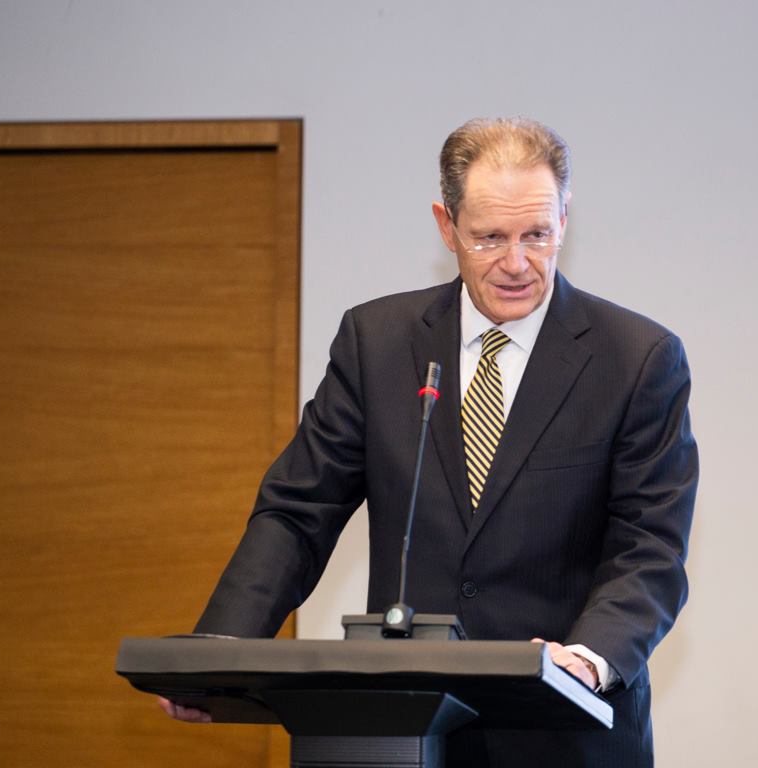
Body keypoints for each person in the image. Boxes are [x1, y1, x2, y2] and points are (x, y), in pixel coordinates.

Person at [161, 117, 698, 767]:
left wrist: (584, 661)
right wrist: (220, 650)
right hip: (402, 728)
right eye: (489, 237)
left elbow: (649, 547)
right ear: (447, 227)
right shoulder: (377, 342)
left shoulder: (637, 359)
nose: (516, 263)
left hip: (563, 734)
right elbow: (299, 511)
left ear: (563, 219)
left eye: (536, 234)